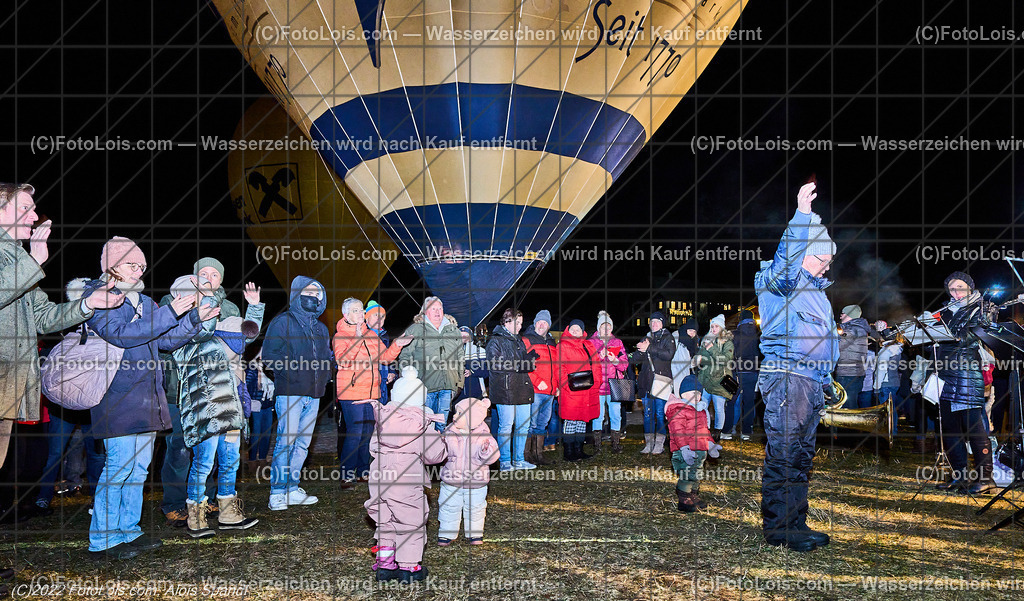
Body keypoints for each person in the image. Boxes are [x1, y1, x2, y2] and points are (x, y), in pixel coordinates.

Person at [81, 236, 212, 559]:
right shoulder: (100, 298)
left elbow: (166, 340)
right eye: (131, 264)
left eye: (141, 265)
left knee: (138, 469)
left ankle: (128, 530)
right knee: (119, 468)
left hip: (145, 397)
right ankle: (103, 539)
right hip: (117, 397)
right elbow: (122, 335)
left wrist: (195, 319)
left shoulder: (142, 302)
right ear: (111, 266)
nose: (139, 270)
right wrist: (169, 312)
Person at [0, 184, 122, 519]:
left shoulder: (22, 261)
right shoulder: (21, 262)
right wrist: (34, 262)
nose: (36, 216)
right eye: (26, 206)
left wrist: (87, 304)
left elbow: (43, 317)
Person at [754, 181, 838, 552]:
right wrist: (802, 217)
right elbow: (787, 258)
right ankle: (780, 530)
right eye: (822, 259)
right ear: (805, 255)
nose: (827, 266)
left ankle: (796, 523)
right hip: (786, 378)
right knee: (786, 454)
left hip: (808, 382)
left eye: (829, 261)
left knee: (801, 455)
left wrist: (826, 379)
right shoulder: (779, 282)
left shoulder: (818, 295)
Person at [364, 366, 448, 583]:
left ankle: (385, 564)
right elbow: (435, 456)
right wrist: (440, 438)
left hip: (379, 476)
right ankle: (409, 567)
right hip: (405, 479)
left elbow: (373, 447)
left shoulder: (384, 419)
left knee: (386, 519)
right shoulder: (420, 424)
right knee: (410, 521)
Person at [263, 277, 333, 510]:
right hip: (291, 392)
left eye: (317, 293)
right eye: (308, 292)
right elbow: (270, 357)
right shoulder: (283, 322)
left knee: (302, 444)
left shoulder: (321, 328)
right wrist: (294, 372)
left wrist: (327, 371)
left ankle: (292, 488)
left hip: (314, 394)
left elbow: (326, 357)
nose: (313, 297)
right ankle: (277, 492)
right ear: (297, 293)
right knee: (286, 442)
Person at [334, 297, 412, 487]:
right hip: (351, 392)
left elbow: (385, 358)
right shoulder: (340, 336)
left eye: (361, 310)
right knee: (355, 432)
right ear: (346, 315)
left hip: (372, 391)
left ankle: (363, 471)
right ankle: (346, 473)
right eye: (355, 310)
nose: (360, 314)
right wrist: (358, 338)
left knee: (367, 433)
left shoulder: (371, 335)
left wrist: (397, 344)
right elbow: (343, 360)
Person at [934, 271, 994, 494]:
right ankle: (959, 476)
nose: (955, 292)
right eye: (951, 289)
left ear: (970, 287)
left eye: (959, 287)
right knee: (950, 430)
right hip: (946, 376)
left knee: (974, 430)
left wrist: (944, 333)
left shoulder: (982, 308)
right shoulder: (947, 311)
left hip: (967, 375)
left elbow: (976, 336)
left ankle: (985, 478)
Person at [438, 397, 499, 545]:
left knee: (475, 508)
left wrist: (486, 451)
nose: (454, 416)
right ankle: (447, 533)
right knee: (449, 506)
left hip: (476, 482)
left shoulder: (484, 436)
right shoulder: (449, 433)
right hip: (452, 480)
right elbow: (440, 452)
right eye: (455, 412)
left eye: (459, 413)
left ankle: (475, 534)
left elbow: (493, 456)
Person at [399, 297, 464, 431]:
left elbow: (460, 358)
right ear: (425, 312)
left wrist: (460, 382)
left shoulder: (453, 331)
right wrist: (408, 382)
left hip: (448, 386)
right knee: (424, 426)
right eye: (433, 309)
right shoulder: (415, 330)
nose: (437, 312)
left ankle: (440, 451)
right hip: (424, 387)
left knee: (442, 425)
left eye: (440, 308)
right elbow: (405, 357)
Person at [486, 308, 537, 471]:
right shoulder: (495, 340)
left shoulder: (519, 340)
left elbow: (521, 363)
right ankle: (506, 462)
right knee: (506, 425)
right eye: (517, 323)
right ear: (507, 321)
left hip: (521, 387)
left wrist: (529, 361)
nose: (519, 327)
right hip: (505, 389)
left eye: (521, 323)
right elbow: (493, 364)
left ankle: (519, 460)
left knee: (523, 425)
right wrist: (521, 365)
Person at [666, 375, 720, 512]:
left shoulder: (700, 410)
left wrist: (711, 444)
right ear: (683, 393)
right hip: (685, 450)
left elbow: (704, 430)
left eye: (699, 393)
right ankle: (684, 499)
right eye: (693, 392)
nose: (697, 396)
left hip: (700, 450)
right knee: (687, 474)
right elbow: (677, 431)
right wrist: (684, 448)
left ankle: (693, 494)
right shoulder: (678, 409)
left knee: (697, 474)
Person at [631, 311, 676, 455]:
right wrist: (629, 355)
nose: (654, 324)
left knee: (659, 414)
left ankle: (659, 444)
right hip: (646, 382)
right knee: (648, 415)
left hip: (661, 382)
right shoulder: (646, 338)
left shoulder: (668, 338)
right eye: (652, 321)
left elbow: (668, 354)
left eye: (657, 321)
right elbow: (637, 358)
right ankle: (649, 444)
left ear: (663, 323)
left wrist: (649, 348)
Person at [557, 319, 602, 461]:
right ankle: (568, 451)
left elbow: (597, 365)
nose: (575, 331)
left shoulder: (588, 344)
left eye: (578, 329)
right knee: (570, 421)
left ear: (583, 331)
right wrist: (566, 384)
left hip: (587, 390)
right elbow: (559, 367)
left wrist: (597, 382)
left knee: (582, 420)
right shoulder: (562, 345)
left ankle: (579, 449)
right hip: (571, 390)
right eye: (573, 328)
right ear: (568, 330)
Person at [521, 310, 557, 464]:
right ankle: (527, 455)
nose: (542, 325)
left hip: (550, 391)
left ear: (548, 326)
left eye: (545, 323)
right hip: (535, 390)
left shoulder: (551, 342)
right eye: (539, 322)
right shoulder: (527, 340)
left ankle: (538, 454)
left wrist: (557, 386)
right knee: (531, 423)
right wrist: (536, 381)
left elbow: (556, 367)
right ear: (535, 323)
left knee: (542, 424)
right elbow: (524, 364)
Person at [589, 311, 628, 454]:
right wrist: (598, 357)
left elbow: (624, 364)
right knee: (597, 415)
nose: (606, 330)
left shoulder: (617, 342)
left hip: (614, 386)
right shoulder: (591, 342)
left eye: (609, 327)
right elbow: (587, 364)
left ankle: (615, 444)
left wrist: (615, 360)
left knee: (615, 415)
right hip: (597, 385)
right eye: (603, 327)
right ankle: (597, 445)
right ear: (598, 328)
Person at [696, 314, 734, 440]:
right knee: (703, 407)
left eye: (716, 326)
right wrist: (698, 359)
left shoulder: (727, 342)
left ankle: (717, 432)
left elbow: (725, 359)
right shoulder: (706, 340)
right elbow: (701, 358)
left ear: (722, 328)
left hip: (719, 381)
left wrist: (711, 349)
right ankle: (705, 430)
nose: (713, 329)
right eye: (712, 326)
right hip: (706, 380)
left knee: (718, 408)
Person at [729, 309, 760, 441]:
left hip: (737, 371)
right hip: (753, 372)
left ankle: (730, 429)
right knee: (748, 402)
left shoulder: (735, 334)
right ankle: (747, 431)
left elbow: (731, 354)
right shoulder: (759, 334)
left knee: (732, 400)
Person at [245, 349, 275, 471]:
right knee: (256, 433)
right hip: (255, 405)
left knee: (266, 434)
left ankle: (263, 459)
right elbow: (246, 385)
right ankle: (252, 460)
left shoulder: (270, 368)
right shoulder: (252, 368)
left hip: (268, 404)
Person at [836, 304, 871, 408]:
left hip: (848, 374)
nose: (840, 316)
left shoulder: (852, 330)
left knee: (846, 407)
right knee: (849, 405)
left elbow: (837, 346)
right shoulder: (858, 328)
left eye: (842, 314)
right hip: (853, 373)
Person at [365, 301, 397, 403]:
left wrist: (392, 372)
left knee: (380, 413)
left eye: (382, 316)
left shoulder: (384, 335)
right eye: (376, 315)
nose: (379, 319)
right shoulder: (360, 334)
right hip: (367, 383)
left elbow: (389, 356)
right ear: (367, 318)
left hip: (383, 381)